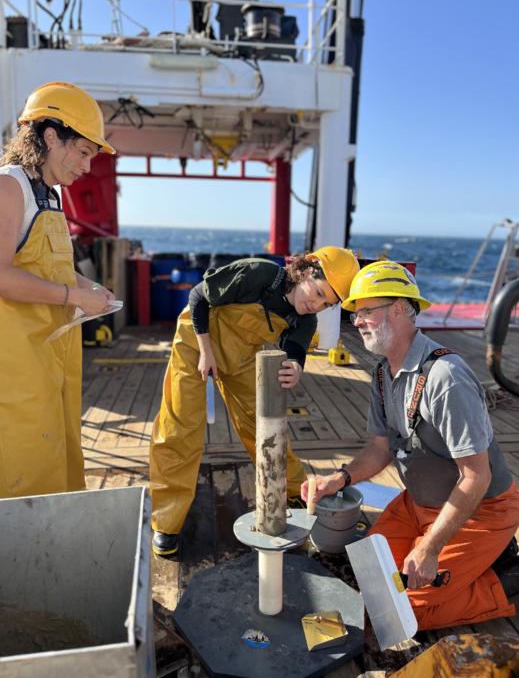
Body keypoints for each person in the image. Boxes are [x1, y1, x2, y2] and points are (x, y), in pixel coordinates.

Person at [302, 260, 519, 630]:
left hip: (480, 510)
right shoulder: (383, 372)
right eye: (355, 313)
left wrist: (430, 548)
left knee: (405, 614)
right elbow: (380, 449)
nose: (357, 321)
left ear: (400, 309)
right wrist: (337, 479)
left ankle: (507, 579)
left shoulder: (446, 378)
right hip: (417, 503)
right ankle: (477, 561)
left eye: (366, 311)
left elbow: (476, 477)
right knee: (369, 572)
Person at [150, 247, 360, 556]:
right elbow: (198, 297)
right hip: (197, 343)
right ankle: (165, 522)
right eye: (317, 292)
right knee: (180, 426)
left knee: (263, 423)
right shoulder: (259, 274)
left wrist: (295, 368)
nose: (314, 303)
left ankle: (296, 491)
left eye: (325, 303)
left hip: (242, 357)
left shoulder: (305, 320)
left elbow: (296, 351)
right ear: (306, 269)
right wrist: (206, 352)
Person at [0, 81, 116, 498]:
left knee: (54, 469)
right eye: (83, 152)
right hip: (13, 372)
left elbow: (56, 269)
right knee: (22, 478)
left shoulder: (49, 197)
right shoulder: (9, 186)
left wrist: (94, 291)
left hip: (48, 363)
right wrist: (74, 299)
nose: (87, 166)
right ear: (50, 137)